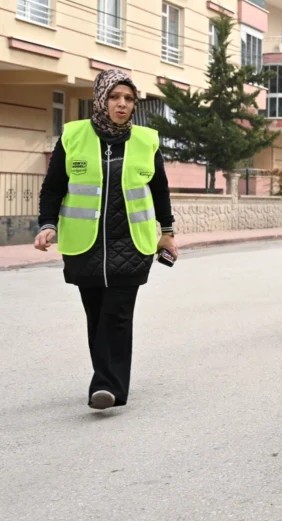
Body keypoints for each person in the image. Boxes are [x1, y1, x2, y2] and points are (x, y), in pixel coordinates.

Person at [34, 69, 177, 410]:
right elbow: (53, 187)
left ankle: (106, 386)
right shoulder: (73, 136)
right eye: (115, 97)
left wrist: (167, 233)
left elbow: (159, 190)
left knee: (117, 314)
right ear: (101, 99)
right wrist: (47, 224)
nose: (122, 104)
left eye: (128, 99)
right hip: (85, 245)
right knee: (96, 314)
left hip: (133, 243)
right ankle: (111, 382)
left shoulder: (146, 141)